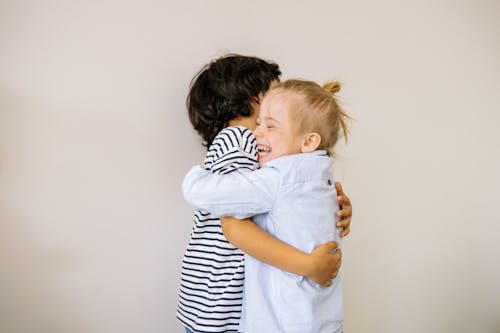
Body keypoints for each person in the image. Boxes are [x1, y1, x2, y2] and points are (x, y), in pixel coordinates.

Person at [177, 54, 352, 333]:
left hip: (222, 300)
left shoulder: (274, 154)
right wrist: (308, 265)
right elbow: (233, 223)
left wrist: (332, 208)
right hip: (222, 304)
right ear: (251, 100)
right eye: (274, 91)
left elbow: (285, 201)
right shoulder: (240, 139)